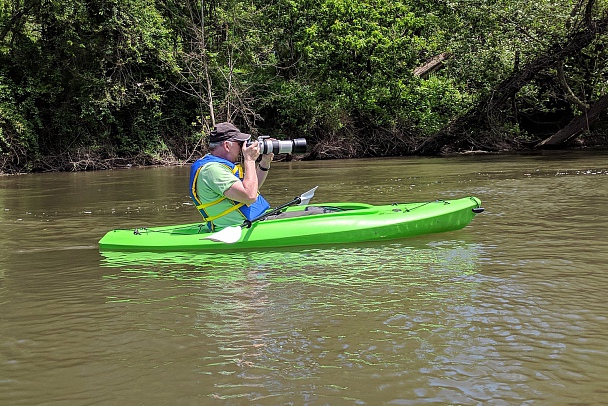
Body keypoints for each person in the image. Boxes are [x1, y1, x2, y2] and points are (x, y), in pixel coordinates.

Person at [189, 122, 274, 231]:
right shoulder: (212, 170)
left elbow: (252, 188)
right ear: (227, 146)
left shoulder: (218, 166)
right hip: (239, 227)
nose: (243, 147)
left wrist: (265, 162)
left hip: (255, 220)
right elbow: (250, 196)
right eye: (239, 143)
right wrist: (249, 160)